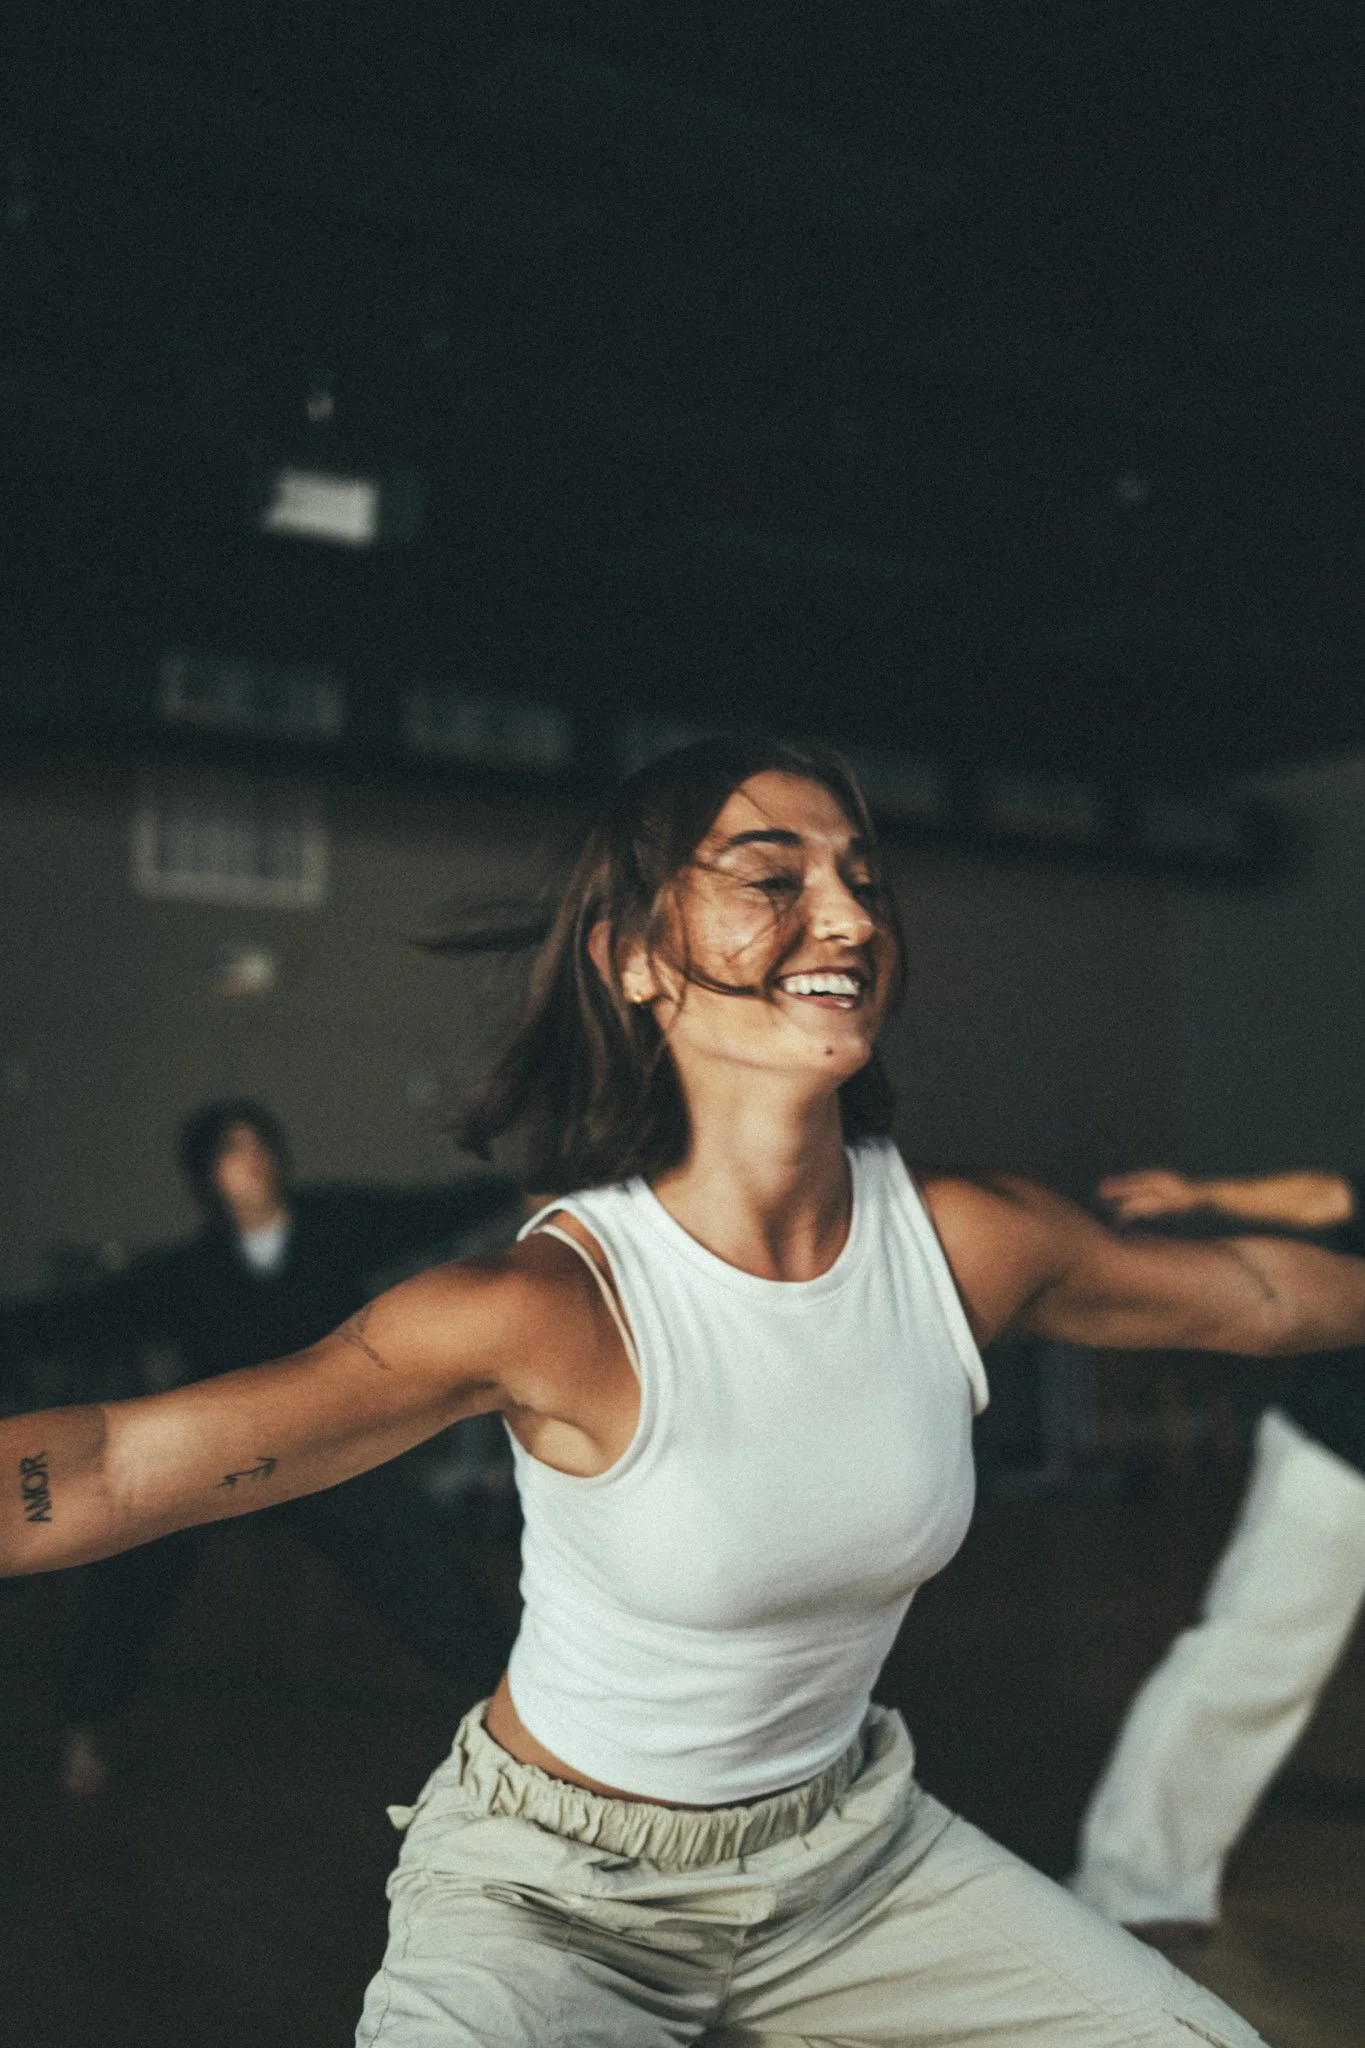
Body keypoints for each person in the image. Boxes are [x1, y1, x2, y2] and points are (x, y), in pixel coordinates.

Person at [7, 735, 1365, 2045]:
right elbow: (117, 1467)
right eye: (772, 878)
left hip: (856, 1858)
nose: (846, 916)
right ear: (639, 959)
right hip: (556, 1895)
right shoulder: (553, 1308)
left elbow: (1263, 1297)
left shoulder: (966, 1246)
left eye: (863, 879)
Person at [0, 1100, 519, 1795]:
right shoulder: (191, 1269)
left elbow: (423, 1212)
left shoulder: (333, 1225)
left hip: (322, 1457)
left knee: (410, 1556)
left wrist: (526, 1183)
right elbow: (92, 1313)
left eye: (260, 1143)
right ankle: (84, 1726)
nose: (254, 1160)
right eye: (232, 1150)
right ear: (207, 1175)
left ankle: (515, 1707)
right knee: (133, 1571)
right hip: (215, 1466)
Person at [1070, 1165, 1365, 1947]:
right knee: (1256, 1658)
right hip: (1345, 1447)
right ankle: (1133, 1884)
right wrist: (1205, 1197)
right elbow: (1330, 1197)